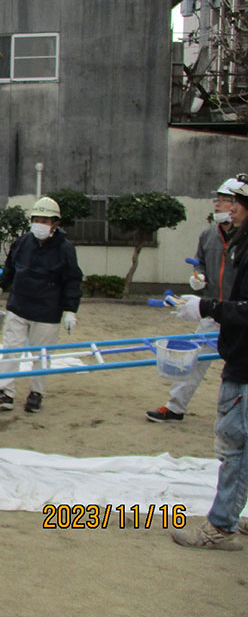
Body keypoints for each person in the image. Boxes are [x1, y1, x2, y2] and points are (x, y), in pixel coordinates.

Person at [170, 175, 248, 550]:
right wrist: (198, 283)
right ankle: (233, 514)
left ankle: (221, 526)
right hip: (224, 322)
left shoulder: (244, 245)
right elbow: (204, 266)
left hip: (240, 343)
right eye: (222, 200)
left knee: (234, 444)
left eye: (233, 201)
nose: (225, 207)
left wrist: (206, 305)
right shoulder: (222, 238)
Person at [147, 177, 245, 423]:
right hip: (212, 310)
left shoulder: (243, 239)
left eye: (227, 201)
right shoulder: (208, 236)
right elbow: (199, 262)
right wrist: (198, 276)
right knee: (193, 359)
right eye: (219, 200)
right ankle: (175, 407)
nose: (220, 206)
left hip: (238, 313)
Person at [0, 196, 83, 413]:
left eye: (45, 221)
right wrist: (0, 286)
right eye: (37, 219)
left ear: (55, 223)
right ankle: (5, 392)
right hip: (18, 305)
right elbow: (11, 266)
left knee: (41, 355)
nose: (40, 224)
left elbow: (72, 279)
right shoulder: (23, 242)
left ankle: (36, 393)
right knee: (11, 351)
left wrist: (70, 310)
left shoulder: (64, 249)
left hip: (47, 311)